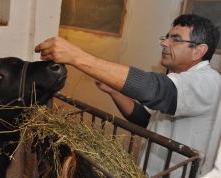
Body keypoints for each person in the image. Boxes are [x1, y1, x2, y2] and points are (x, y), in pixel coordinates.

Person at [35, 14, 221, 177]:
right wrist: (115, 92)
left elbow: (155, 90)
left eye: (176, 39)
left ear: (199, 50)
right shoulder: (178, 78)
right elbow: (144, 118)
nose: (165, 43)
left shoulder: (208, 82)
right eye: (166, 37)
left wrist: (77, 56)